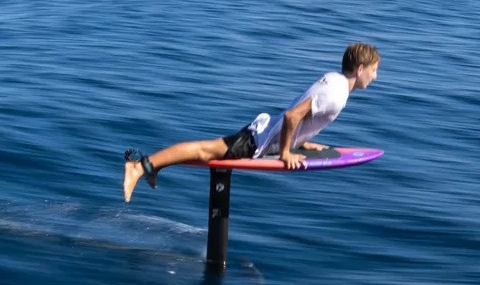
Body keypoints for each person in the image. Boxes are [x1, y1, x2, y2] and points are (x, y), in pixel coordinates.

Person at [123, 43, 380, 202]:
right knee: (203, 150)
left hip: (263, 132)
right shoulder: (337, 94)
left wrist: (304, 141)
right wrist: (286, 152)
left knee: (205, 150)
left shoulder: (333, 79)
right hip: (257, 142)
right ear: (359, 69)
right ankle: (140, 166)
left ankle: (152, 166)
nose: (375, 76)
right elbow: (293, 116)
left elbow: (302, 112)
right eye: (374, 70)